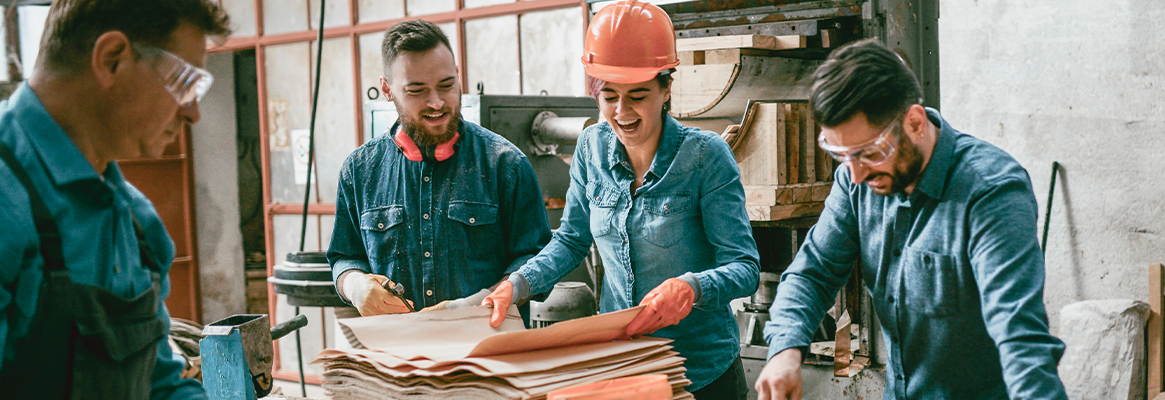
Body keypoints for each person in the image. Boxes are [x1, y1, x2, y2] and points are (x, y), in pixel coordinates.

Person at [754, 39, 1068, 400]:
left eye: (870, 153)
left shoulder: (990, 193)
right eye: (842, 155)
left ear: (915, 122)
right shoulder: (857, 181)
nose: (856, 174)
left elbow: (1019, 336)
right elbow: (813, 272)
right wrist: (784, 351)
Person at [482, 1, 760, 398]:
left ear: (666, 89)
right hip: (626, 366)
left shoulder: (705, 156)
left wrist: (693, 288)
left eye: (638, 95)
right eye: (609, 95)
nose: (621, 111)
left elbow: (744, 267)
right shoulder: (591, 148)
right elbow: (571, 239)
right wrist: (519, 283)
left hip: (701, 372)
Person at [0, 0, 229, 398]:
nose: (193, 113)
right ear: (111, 59)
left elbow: (158, 384)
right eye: (184, 82)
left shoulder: (136, 221)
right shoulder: (9, 201)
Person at [327, 19, 551, 317]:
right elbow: (344, 256)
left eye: (446, 85)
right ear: (387, 89)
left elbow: (537, 258)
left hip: (486, 354)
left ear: (459, 76)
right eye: (417, 91)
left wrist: (480, 302)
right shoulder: (359, 171)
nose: (436, 103)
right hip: (396, 357)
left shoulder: (506, 165)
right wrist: (354, 285)